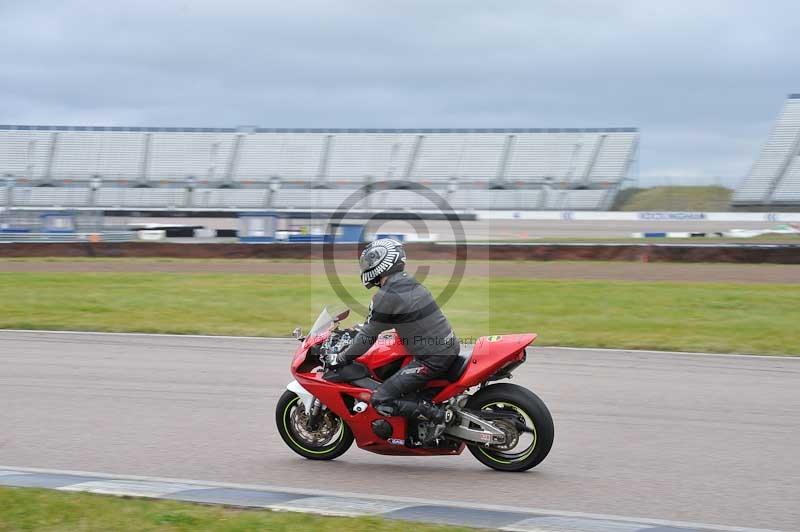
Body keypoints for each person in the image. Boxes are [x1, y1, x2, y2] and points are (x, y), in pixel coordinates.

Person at [329, 238, 459, 433]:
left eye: (369, 263)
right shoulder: (409, 283)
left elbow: (368, 336)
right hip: (446, 347)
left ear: (383, 263)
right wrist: (358, 330)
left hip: (432, 359)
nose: (366, 268)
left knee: (381, 399)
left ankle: (438, 415)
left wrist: (340, 358)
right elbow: (386, 323)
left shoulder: (387, 296)